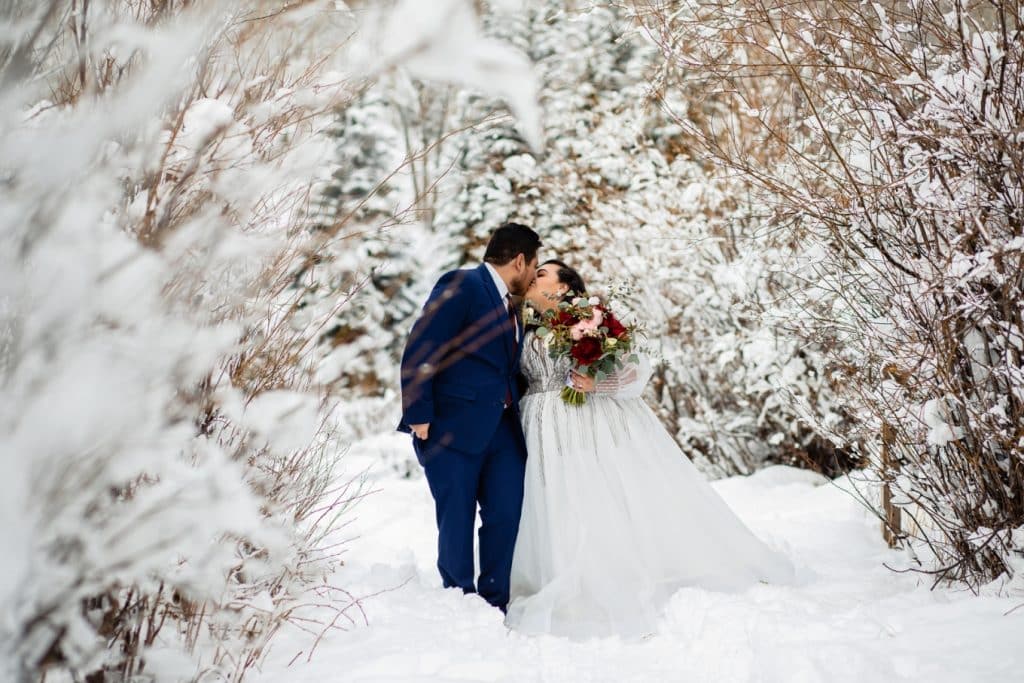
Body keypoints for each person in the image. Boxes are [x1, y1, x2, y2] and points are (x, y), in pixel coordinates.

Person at [505, 259, 795, 638]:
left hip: (583, 421)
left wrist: (597, 384)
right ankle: (559, 573)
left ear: (562, 288)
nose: (534, 277)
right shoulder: (525, 326)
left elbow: (633, 371)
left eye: (543, 273)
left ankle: (604, 579)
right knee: (554, 500)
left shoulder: (591, 317)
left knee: (594, 496)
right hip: (541, 427)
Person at [398, 223, 541, 611]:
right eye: (534, 265)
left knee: (506, 514)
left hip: (504, 431)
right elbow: (422, 344)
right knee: (456, 519)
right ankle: (459, 604)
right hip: (450, 427)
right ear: (519, 260)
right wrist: (419, 412)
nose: (534, 274)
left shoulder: (514, 306)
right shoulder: (462, 285)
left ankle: (495, 602)